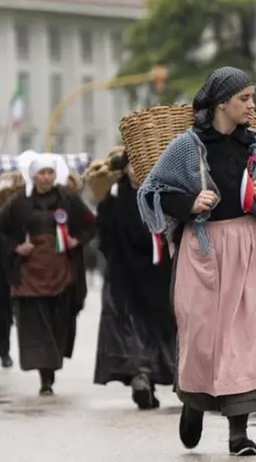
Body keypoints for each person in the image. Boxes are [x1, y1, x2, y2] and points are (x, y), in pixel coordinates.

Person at [137, 67, 256, 456]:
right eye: (244, 98)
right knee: (204, 337)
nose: (252, 105)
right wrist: (189, 204)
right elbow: (153, 191)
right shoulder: (186, 146)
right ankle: (194, 403)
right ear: (221, 102)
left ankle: (238, 433)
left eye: (252, 97)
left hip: (247, 246)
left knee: (244, 338)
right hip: (203, 248)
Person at [0, 153, 94, 395]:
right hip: (30, 272)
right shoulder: (18, 202)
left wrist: (77, 240)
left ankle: (51, 366)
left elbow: (90, 223)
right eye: (41, 173)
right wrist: (16, 247)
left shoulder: (68, 199)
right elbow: (2, 231)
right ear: (34, 175)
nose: (46, 177)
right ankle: (45, 376)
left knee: (58, 320)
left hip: (61, 270)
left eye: (50, 173)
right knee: (36, 322)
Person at [93, 151, 176, 409]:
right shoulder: (114, 198)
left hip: (159, 273)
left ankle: (155, 375)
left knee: (159, 325)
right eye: (133, 165)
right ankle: (140, 374)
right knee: (130, 326)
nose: (137, 171)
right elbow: (103, 235)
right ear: (125, 169)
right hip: (125, 274)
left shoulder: (163, 195)